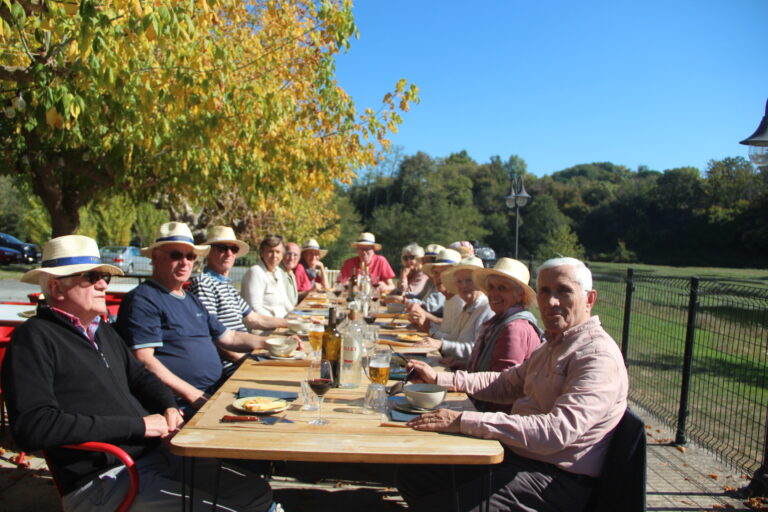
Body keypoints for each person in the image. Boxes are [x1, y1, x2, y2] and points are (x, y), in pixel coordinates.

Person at [2, 235, 273, 511]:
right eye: (91, 277)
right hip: (104, 478)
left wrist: (167, 406)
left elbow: (140, 377)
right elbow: (33, 426)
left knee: (256, 493)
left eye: (104, 276)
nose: (103, 284)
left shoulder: (101, 330)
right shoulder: (33, 338)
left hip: (152, 456)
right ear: (56, 287)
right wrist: (141, 426)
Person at [398, 257, 629, 512]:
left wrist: (463, 421)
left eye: (563, 291)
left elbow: (556, 433)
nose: (551, 302)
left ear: (589, 299)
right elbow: (505, 382)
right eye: (545, 292)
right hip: (519, 458)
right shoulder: (554, 343)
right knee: (414, 473)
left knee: (439, 504)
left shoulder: (596, 356)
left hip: (554, 479)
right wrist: (439, 379)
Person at [116, 222, 280, 414]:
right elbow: (144, 361)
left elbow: (230, 337)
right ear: (155, 256)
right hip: (181, 404)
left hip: (217, 390)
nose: (185, 262)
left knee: (285, 397)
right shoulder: (143, 299)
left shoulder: (190, 299)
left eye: (190, 256)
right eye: (176, 255)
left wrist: (272, 343)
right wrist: (196, 396)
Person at [188, 226, 291, 367]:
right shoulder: (204, 283)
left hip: (245, 355)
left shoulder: (227, 286)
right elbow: (210, 336)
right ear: (208, 252)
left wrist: (293, 324)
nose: (229, 253)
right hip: (229, 365)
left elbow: (254, 319)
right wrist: (242, 362)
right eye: (222, 248)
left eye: (233, 249)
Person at [466, 258, 542, 411]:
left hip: (496, 415)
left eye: (502, 288)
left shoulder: (514, 328)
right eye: (491, 287)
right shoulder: (499, 322)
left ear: (520, 295)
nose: (494, 294)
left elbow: (502, 386)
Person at [414, 255, 493, 367]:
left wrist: (439, 342)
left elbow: (477, 350)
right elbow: (454, 338)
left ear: (480, 283)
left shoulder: (487, 309)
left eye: (469, 280)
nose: (463, 286)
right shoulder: (468, 307)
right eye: (459, 281)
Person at [241, 234, 295, 318]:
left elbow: (285, 302)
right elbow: (254, 308)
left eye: (278, 252)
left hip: (282, 321)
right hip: (265, 324)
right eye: (270, 251)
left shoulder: (277, 271)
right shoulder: (255, 272)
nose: (274, 255)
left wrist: (298, 316)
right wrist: (279, 322)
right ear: (262, 253)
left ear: (282, 255)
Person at [407, 248, 461, 329]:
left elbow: (452, 331)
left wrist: (425, 319)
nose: (438, 277)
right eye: (436, 272)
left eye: (444, 272)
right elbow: (447, 327)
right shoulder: (449, 297)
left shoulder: (461, 299)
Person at [281, 241, 300, 307]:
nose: (291, 258)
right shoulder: (278, 274)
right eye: (288, 254)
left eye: (295, 255)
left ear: (299, 258)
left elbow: (293, 301)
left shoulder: (292, 274)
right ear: (282, 254)